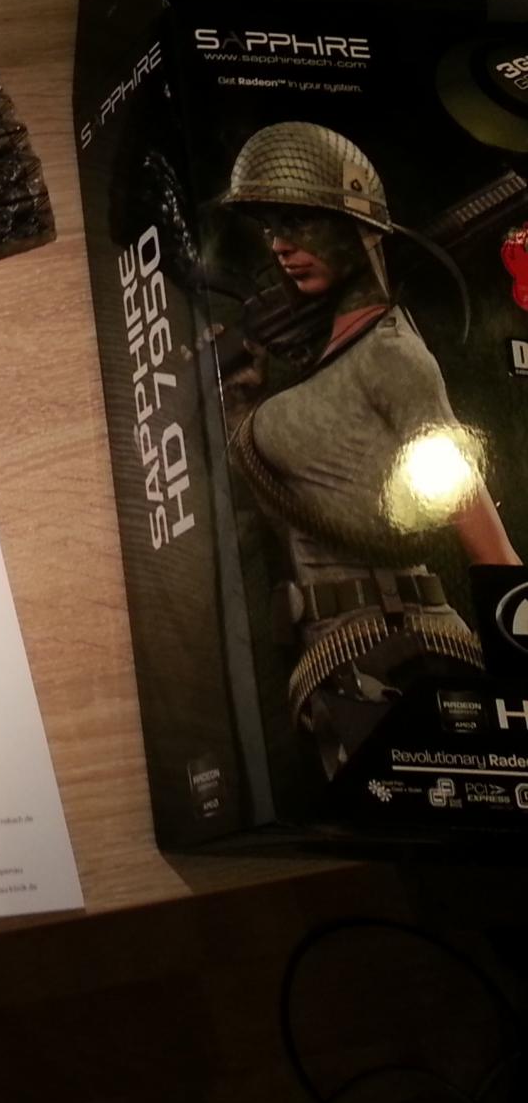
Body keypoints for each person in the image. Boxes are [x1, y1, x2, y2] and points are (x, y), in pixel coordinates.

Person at [218, 122, 519, 779]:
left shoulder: (393, 356)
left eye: (299, 221)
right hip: (337, 666)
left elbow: (484, 537)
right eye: (271, 227)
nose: (280, 244)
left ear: (358, 228)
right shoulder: (326, 359)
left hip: (400, 654)